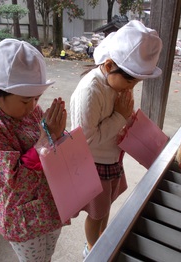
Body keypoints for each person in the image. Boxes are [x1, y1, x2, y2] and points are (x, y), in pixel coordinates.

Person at [0, 39, 68, 261]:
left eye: (36, 99)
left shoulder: (31, 111)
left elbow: (51, 146)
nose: (33, 107)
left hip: (49, 204)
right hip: (22, 216)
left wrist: (58, 135)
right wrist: (47, 139)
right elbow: (17, 180)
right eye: (25, 101)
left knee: (48, 255)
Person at [70, 20, 163, 258]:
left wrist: (127, 119)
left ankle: (102, 240)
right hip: (94, 163)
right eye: (130, 80)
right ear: (110, 65)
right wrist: (121, 117)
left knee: (106, 207)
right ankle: (93, 250)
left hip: (111, 159)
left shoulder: (116, 84)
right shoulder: (91, 90)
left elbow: (119, 117)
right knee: (96, 213)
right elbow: (86, 139)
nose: (131, 88)